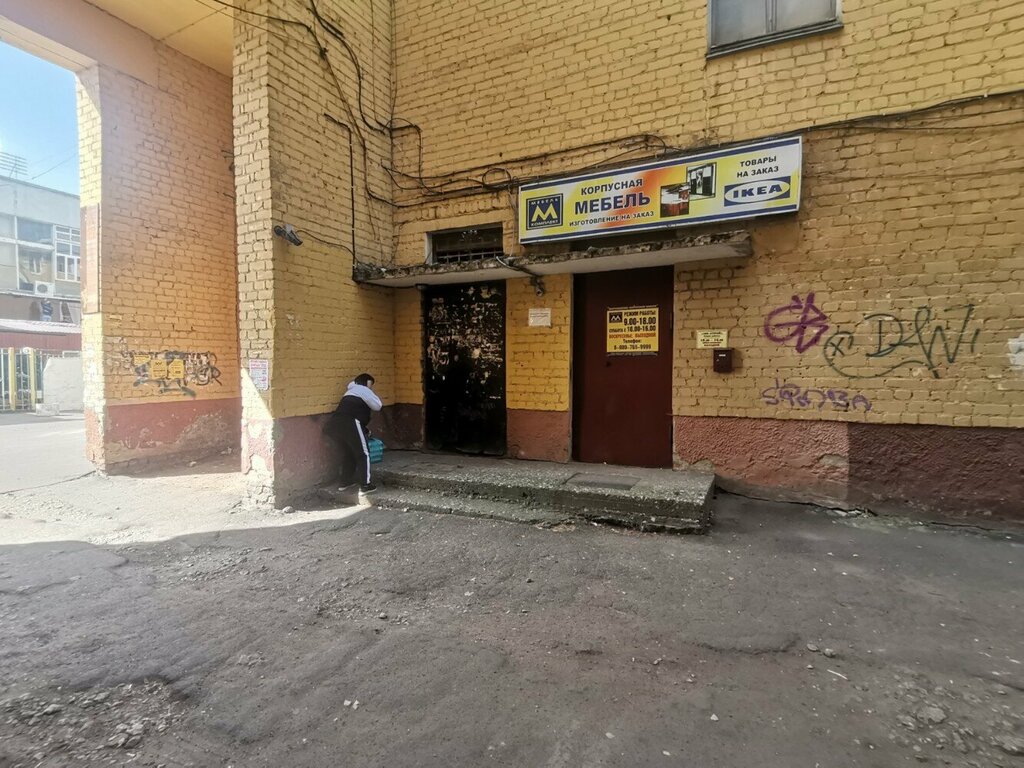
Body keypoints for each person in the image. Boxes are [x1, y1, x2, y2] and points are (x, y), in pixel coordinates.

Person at [325, 373, 382, 494]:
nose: (371, 387)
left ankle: (344, 482)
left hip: (335, 425)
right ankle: (366, 485)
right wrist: (369, 391)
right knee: (363, 453)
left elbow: (350, 413)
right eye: (371, 384)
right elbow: (377, 406)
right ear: (367, 382)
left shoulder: (350, 392)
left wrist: (365, 430)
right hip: (350, 422)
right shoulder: (362, 389)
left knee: (349, 452)